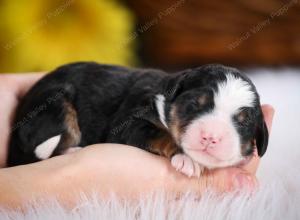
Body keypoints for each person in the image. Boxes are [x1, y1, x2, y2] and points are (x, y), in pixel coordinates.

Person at [0, 74, 274, 208]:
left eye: (239, 121)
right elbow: (126, 132)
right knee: (52, 122)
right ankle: (40, 155)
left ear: (257, 137)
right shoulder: (149, 103)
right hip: (62, 98)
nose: (211, 134)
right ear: (171, 98)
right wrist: (169, 148)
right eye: (194, 107)